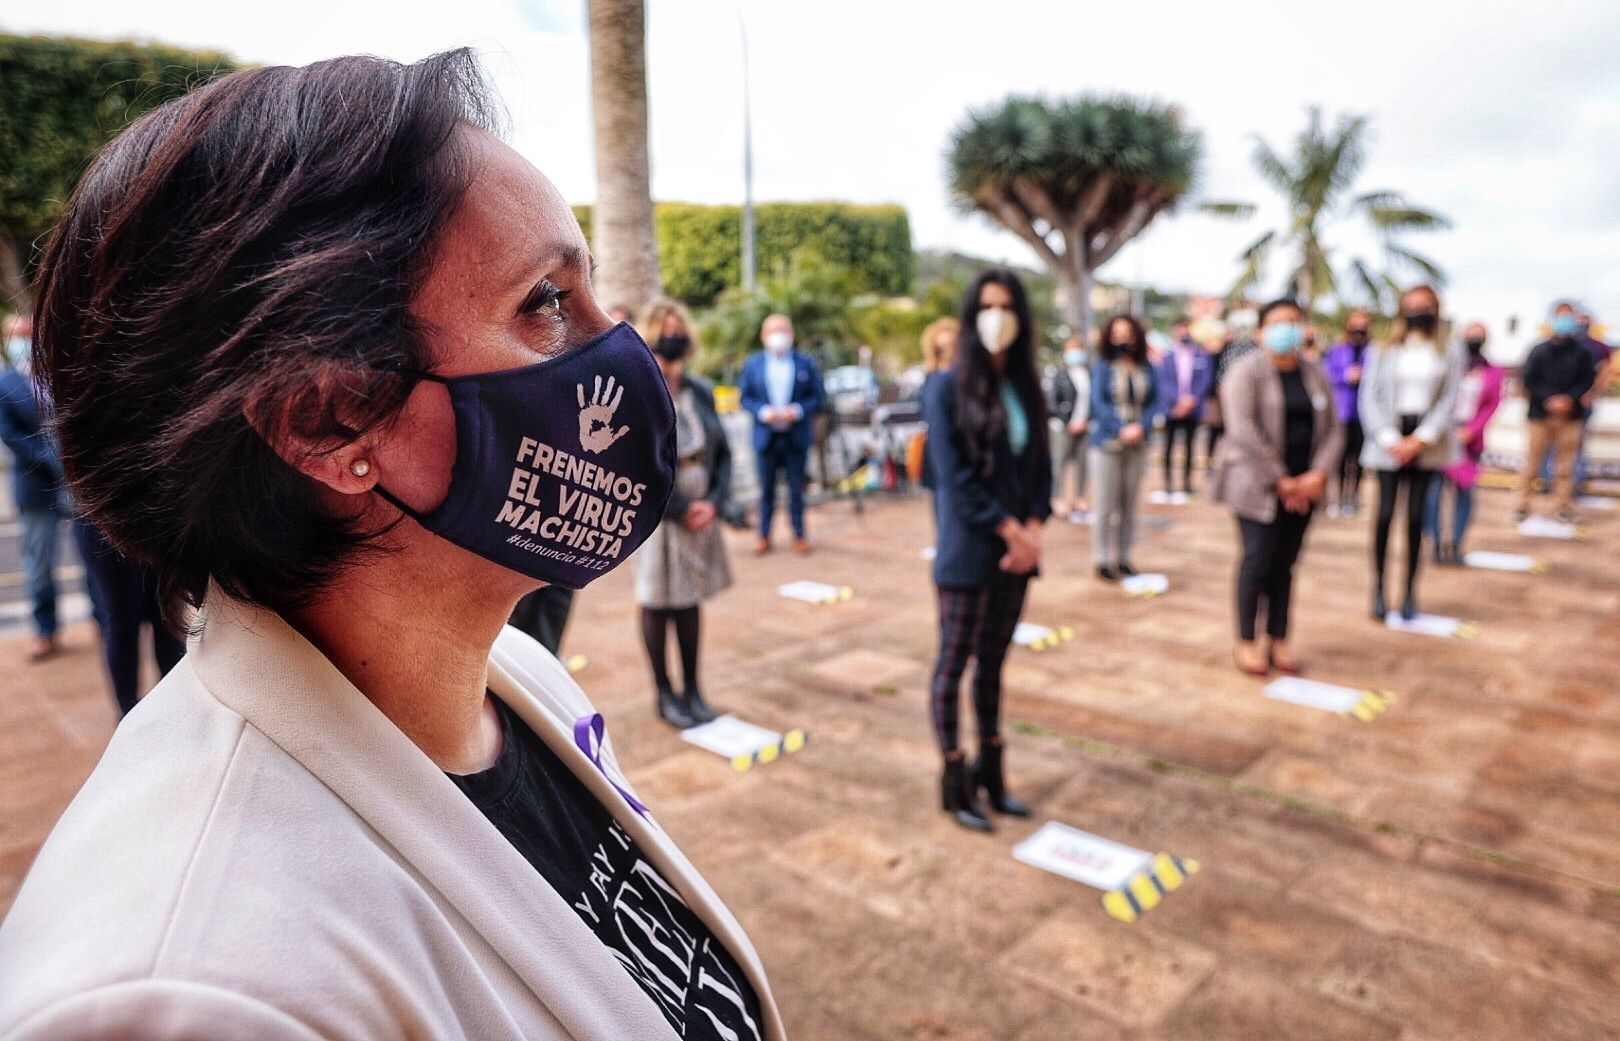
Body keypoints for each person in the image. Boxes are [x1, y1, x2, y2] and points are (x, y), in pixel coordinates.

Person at [0, 51, 783, 1041]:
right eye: (546, 301)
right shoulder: (202, 992)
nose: (615, 347)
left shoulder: (519, 680)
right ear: (326, 420)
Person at [922, 268, 1049, 832]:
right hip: (972, 551)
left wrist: (1034, 527)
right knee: (955, 664)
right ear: (973, 316)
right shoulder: (946, 387)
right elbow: (956, 478)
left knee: (994, 666)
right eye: (987, 305)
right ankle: (954, 779)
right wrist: (1009, 531)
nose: (998, 316)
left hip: (1017, 554)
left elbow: (1041, 468)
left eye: (1008, 305)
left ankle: (992, 772)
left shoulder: (1025, 388)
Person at [1211, 299, 1341, 676]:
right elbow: (1243, 430)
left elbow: (1334, 429)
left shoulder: (1315, 373)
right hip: (1258, 486)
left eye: (1294, 322)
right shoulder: (1245, 372)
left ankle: (1279, 639)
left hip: (1306, 487)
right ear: (1260, 332)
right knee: (1257, 561)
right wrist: (1281, 480)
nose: (1287, 329)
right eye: (1278, 323)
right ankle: (1247, 642)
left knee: (1286, 565)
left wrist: (1316, 475)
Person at [633, 298, 733, 730]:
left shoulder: (700, 390)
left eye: (679, 329)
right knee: (658, 600)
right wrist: (679, 508)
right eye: (664, 330)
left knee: (690, 599)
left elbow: (724, 451)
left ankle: (693, 689)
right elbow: (636, 456)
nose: (672, 337)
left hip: (701, 503)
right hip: (659, 509)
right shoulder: (641, 389)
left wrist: (715, 501)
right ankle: (664, 694)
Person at [1359, 284, 1465, 621]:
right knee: (1385, 516)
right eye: (1412, 305)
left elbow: (1450, 398)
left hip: (1426, 441)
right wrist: (1390, 438)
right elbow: (1370, 395)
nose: (1418, 311)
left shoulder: (1449, 349)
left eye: (1425, 305)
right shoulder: (1384, 348)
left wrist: (1422, 438)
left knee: (1417, 518)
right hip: (1389, 438)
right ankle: (1379, 588)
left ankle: (1408, 591)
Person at [0, 313, 66, 661]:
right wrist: (50, 459)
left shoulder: (56, 375)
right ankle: (46, 630)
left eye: (28, 334)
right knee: (38, 565)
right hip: (35, 486)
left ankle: (105, 620)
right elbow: (10, 435)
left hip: (73, 487)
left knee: (93, 558)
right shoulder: (5, 383)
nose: (24, 341)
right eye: (18, 335)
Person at [71, 519, 186, 714]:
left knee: (168, 619)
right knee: (121, 623)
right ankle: (128, 715)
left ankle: (175, 712)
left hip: (162, 520)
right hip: (105, 523)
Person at [739, 313, 823, 555]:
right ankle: (763, 535)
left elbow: (817, 398)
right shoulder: (753, 364)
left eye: (783, 329)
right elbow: (745, 398)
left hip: (795, 436)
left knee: (797, 490)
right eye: (774, 330)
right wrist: (763, 412)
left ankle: (799, 534)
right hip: (766, 437)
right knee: (766, 490)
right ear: (764, 336)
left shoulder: (805, 363)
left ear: (791, 333)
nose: (779, 335)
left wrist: (796, 411)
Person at [1089, 314, 1161, 580]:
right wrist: (1120, 428)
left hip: (1138, 444)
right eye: (1117, 333)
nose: (1122, 339)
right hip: (1108, 444)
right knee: (1105, 505)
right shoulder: (1102, 366)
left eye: (1127, 333)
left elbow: (1154, 401)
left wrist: (1141, 426)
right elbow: (1098, 402)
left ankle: (1123, 557)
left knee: (1129, 505)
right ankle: (1102, 559)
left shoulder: (1147, 367)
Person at [1425, 323, 1504, 564]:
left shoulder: (1493, 371)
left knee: (1464, 494)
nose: (1473, 339)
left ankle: (1457, 544)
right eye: (1470, 335)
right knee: (1433, 495)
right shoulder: (1446, 365)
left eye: (1478, 335)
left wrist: (1471, 430)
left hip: (1470, 441)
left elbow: (1492, 404)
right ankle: (1436, 543)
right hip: (1441, 437)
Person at [1516, 300, 1598, 523]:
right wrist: (1550, 399)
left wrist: (1568, 399)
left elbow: (1587, 379)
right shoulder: (1538, 349)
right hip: (1540, 416)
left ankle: (1561, 506)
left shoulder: (1583, 352)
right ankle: (1522, 505)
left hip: (1571, 416)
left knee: (1565, 466)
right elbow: (1529, 379)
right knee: (1532, 463)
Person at [1154, 317, 1213, 498]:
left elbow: (1206, 380)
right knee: (1168, 446)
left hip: (1192, 409)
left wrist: (1191, 400)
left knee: (1189, 446)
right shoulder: (1167, 357)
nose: (1183, 332)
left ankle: (1187, 482)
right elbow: (1163, 382)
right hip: (1172, 409)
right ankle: (1168, 482)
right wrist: (1177, 401)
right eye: (1180, 328)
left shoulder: (1201, 356)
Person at [1323, 310, 1373, 516]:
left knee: (1359, 459)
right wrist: (1345, 376)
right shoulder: (1337, 349)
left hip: (1364, 415)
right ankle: (1339, 498)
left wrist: (1365, 376)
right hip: (1341, 413)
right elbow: (1326, 374)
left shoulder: (1374, 351)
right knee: (1340, 459)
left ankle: (1353, 498)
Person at [1047, 333, 1091, 520]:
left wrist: (1085, 421)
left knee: (1083, 464)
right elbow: (1052, 403)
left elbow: (1093, 401)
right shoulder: (1060, 375)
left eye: (1078, 350)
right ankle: (1056, 498)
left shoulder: (1089, 374)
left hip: (1084, 426)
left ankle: (1080, 497)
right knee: (1060, 463)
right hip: (1063, 427)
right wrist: (1067, 422)